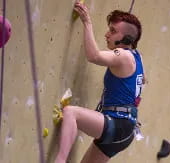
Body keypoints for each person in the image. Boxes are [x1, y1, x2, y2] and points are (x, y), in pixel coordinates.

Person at [55, 1, 145, 163]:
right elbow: (140, 80)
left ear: (127, 38)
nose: (107, 34)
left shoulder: (123, 55)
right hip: (125, 129)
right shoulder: (138, 58)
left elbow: (93, 56)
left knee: (71, 113)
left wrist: (87, 23)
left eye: (113, 31)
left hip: (118, 124)